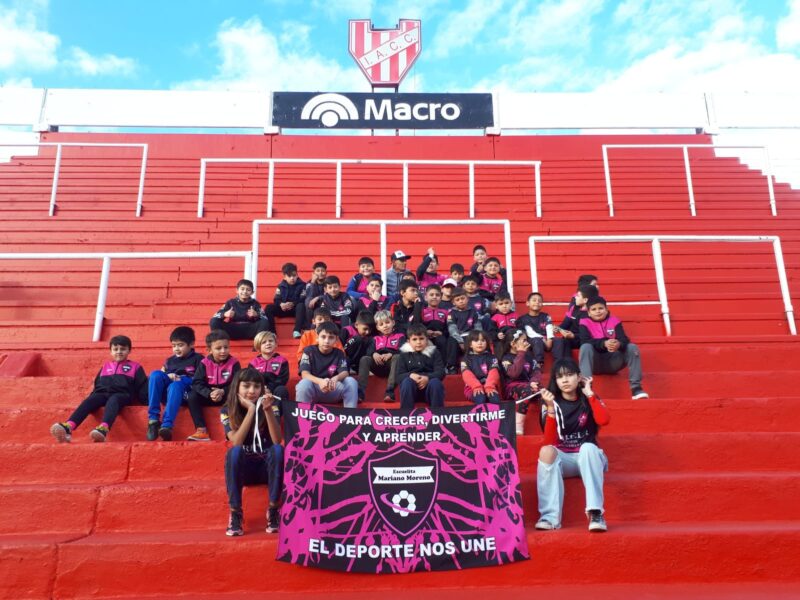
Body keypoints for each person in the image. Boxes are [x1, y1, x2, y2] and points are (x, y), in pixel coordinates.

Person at [536, 359, 609, 532]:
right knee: (546, 451)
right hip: (565, 461)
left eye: (569, 375)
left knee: (588, 448)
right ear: (555, 381)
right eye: (560, 377)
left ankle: (596, 513)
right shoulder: (550, 402)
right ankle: (550, 518)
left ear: (579, 377)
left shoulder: (589, 398)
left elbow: (604, 420)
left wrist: (590, 393)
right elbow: (549, 441)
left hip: (590, 458)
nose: (565, 380)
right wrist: (550, 409)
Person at [50, 335, 147, 443]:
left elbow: (142, 385)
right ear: (111, 351)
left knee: (113, 400)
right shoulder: (106, 366)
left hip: (122, 394)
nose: (119, 352)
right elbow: (98, 384)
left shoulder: (135, 367)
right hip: (103, 393)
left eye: (123, 349)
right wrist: (93, 397)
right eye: (115, 349)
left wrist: (145, 401)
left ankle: (103, 429)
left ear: (129, 350)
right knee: (89, 400)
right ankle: (69, 426)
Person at [222, 368, 284, 537]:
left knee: (278, 449)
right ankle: (235, 513)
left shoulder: (271, 406)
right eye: (246, 386)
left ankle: (273, 510)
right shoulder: (227, 410)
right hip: (245, 470)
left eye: (257, 386)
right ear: (237, 387)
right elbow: (236, 441)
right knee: (234, 452)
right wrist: (250, 410)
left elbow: (277, 440)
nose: (252, 391)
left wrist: (267, 410)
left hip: (267, 469)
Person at [578, 296, 648, 400]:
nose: (598, 311)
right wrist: (603, 343)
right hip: (594, 363)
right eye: (593, 309)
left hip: (613, 362)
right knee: (585, 347)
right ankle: (586, 389)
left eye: (601, 308)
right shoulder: (584, 322)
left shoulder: (614, 321)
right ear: (589, 313)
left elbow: (624, 339)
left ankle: (636, 388)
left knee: (632, 347)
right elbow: (584, 340)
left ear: (606, 310)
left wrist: (618, 344)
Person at [146, 326, 202, 441]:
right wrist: (168, 376)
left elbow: (199, 380)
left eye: (180, 345)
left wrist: (181, 379)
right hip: (167, 394)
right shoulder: (170, 361)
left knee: (175, 384)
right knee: (155, 374)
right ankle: (153, 420)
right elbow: (160, 378)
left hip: (184, 394)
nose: (176, 349)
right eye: (174, 345)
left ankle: (167, 426)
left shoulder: (199, 359)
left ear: (191, 344)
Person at [186, 330, 241, 441]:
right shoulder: (204, 363)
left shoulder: (234, 363)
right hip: (209, 395)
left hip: (227, 396)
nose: (223, 351)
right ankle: (201, 430)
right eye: (218, 348)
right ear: (209, 350)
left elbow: (237, 383)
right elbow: (196, 383)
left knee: (238, 396)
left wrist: (223, 391)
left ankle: (232, 431)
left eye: (226, 347)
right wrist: (209, 393)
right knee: (192, 396)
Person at [296, 321, 359, 408]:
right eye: (323, 337)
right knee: (304, 383)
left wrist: (335, 379)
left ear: (336, 340)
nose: (326, 341)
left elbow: (345, 372)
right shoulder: (308, 351)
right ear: (317, 338)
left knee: (351, 381)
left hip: (333, 389)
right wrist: (320, 381)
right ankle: (302, 414)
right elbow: (304, 374)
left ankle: (350, 414)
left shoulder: (339, 353)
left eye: (331, 338)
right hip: (315, 389)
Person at [497, 330, 542, 435]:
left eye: (527, 340)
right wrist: (521, 353)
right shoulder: (506, 358)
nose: (527, 343)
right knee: (528, 390)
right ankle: (518, 422)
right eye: (524, 340)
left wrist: (534, 382)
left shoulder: (529, 356)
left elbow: (536, 371)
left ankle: (545, 418)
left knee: (544, 392)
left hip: (529, 385)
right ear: (513, 344)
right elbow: (513, 373)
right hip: (511, 387)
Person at [357, 310, 405, 403]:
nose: (385, 326)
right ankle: (360, 393)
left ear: (393, 322)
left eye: (387, 322)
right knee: (364, 359)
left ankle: (389, 393)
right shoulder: (375, 339)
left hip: (392, 366)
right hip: (378, 365)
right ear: (377, 327)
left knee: (397, 357)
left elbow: (403, 350)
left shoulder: (400, 336)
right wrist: (374, 354)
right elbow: (369, 351)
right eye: (381, 324)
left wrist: (391, 354)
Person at [396, 324, 446, 410]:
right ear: (408, 341)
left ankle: (437, 414)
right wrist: (410, 375)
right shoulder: (403, 355)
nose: (418, 342)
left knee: (435, 382)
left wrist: (427, 378)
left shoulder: (434, 352)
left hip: (429, 391)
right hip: (411, 391)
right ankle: (406, 414)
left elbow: (441, 372)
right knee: (407, 382)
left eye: (421, 338)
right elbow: (398, 376)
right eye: (414, 339)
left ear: (427, 339)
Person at [555, 284, 597, 360]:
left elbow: (592, 335)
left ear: (585, 300)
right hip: (572, 338)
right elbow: (566, 323)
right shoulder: (574, 307)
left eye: (578, 296)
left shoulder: (593, 313)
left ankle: (569, 365)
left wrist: (574, 336)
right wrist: (557, 328)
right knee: (561, 341)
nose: (575, 297)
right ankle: (565, 365)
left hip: (585, 340)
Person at [248, 331, 290, 408]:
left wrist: (269, 389)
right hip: (258, 390)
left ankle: (276, 411)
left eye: (270, 341)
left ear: (276, 344)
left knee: (282, 389)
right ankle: (254, 411)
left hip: (275, 390)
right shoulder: (253, 363)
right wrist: (262, 389)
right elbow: (251, 380)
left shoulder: (282, 361)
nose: (268, 343)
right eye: (264, 342)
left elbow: (282, 379)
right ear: (258, 346)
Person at [445, 286, 482, 374]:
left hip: (471, 337)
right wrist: (460, 342)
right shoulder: (451, 313)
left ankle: (475, 367)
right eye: (457, 300)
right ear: (453, 302)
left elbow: (478, 327)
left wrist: (476, 338)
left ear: (467, 298)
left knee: (479, 340)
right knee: (451, 340)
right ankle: (452, 366)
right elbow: (452, 329)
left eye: (462, 298)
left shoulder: (473, 312)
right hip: (458, 338)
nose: (461, 301)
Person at [266, 262, 306, 339]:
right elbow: (276, 299)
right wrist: (281, 304)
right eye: (289, 276)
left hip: (295, 310)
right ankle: (272, 332)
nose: (292, 278)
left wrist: (293, 303)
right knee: (269, 307)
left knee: (301, 305)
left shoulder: (303, 285)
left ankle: (297, 330)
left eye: (294, 275)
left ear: (297, 275)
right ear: (284, 277)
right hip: (283, 309)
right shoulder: (281, 286)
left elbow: (303, 298)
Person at [460, 330, 501, 404]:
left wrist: (489, 386)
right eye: (476, 340)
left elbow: (494, 372)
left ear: (487, 343)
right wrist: (476, 386)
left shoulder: (492, 357)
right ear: (470, 344)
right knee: (481, 399)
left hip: (490, 386)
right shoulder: (465, 359)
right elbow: (467, 374)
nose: (480, 343)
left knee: (494, 399)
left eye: (483, 340)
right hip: (472, 387)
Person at [517, 292, 555, 366]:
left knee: (559, 341)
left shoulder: (545, 316)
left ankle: (560, 364)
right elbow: (530, 333)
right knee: (537, 340)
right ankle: (539, 364)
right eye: (534, 300)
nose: (537, 302)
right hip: (533, 341)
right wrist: (543, 340)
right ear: (527, 303)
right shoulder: (523, 319)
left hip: (546, 341)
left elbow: (549, 328)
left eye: (539, 301)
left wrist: (549, 340)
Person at [421, 284, 449, 359]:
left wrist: (442, 333)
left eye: (437, 295)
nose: (434, 297)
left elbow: (448, 328)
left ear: (441, 297)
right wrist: (425, 332)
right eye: (431, 295)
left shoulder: (445, 312)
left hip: (441, 337)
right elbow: (417, 326)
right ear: (426, 297)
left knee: (442, 340)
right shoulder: (422, 312)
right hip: (425, 337)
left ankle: (443, 364)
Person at [303, 261, 328, 327]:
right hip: (312, 306)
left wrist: (318, 298)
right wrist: (313, 282)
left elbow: (329, 296)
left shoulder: (328, 283)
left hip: (325, 304)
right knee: (308, 301)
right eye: (318, 271)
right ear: (314, 273)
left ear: (326, 273)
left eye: (323, 271)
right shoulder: (309, 283)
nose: (320, 273)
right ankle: (310, 326)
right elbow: (309, 296)